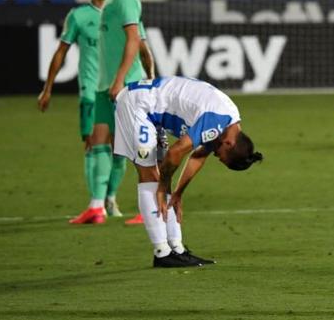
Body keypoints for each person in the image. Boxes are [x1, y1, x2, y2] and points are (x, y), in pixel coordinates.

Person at [38, 0, 152, 224]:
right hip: (92, 92)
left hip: (123, 88)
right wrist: (47, 88)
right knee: (94, 144)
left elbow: (142, 47)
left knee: (122, 148)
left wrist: (150, 77)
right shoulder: (78, 16)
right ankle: (97, 202)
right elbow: (61, 52)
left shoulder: (123, 10)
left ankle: (110, 197)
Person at [113, 76, 263, 267]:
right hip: (138, 105)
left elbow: (198, 156)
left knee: (162, 175)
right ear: (229, 143)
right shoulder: (216, 121)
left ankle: (176, 248)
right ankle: (162, 252)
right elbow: (177, 151)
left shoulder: (228, 123)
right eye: (220, 155)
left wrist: (178, 192)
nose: (216, 154)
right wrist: (163, 186)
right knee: (150, 175)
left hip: (152, 111)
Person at [67, 0, 155, 225]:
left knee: (139, 146)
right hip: (105, 87)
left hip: (125, 85)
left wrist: (124, 80)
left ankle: (151, 207)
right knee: (98, 140)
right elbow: (141, 44)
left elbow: (133, 41)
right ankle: (96, 207)